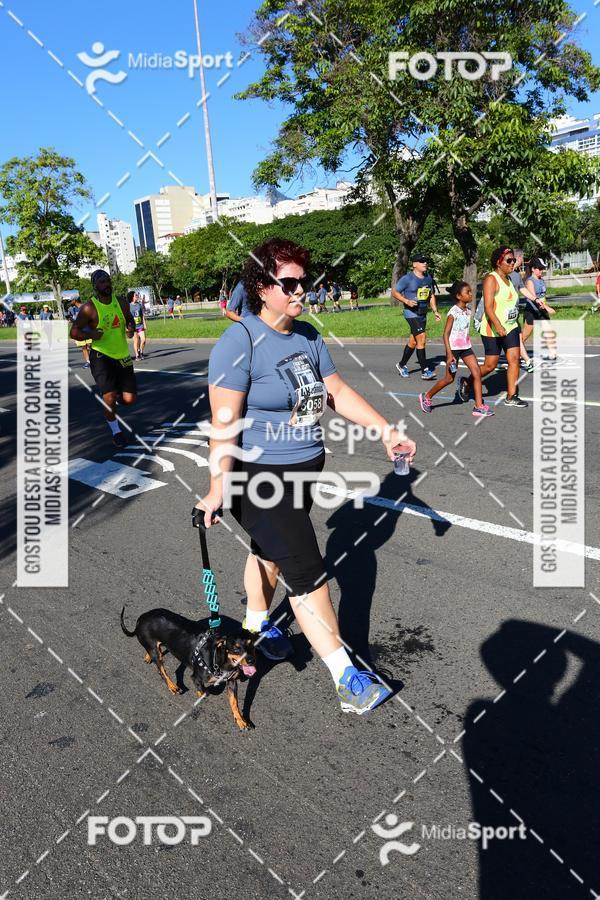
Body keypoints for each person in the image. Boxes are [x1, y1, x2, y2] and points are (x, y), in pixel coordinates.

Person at [198, 238, 416, 715]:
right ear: (260, 286)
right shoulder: (238, 343)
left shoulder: (308, 336)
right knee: (306, 570)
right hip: (257, 477)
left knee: (269, 553)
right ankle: (346, 678)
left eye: (305, 281)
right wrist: (217, 488)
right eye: (290, 283)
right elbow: (223, 424)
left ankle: (257, 633)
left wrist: (385, 431)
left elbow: (336, 390)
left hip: (302, 472)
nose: (302, 291)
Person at [70, 270, 137, 447]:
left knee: (129, 400)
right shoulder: (89, 308)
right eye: (101, 282)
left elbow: (130, 320)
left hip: (122, 355)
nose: (106, 284)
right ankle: (116, 431)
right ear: (95, 286)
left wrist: (131, 328)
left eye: (107, 280)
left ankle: (115, 400)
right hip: (101, 356)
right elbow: (74, 332)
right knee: (109, 397)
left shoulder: (121, 302)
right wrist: (92, 333)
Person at [460, 247, 527, 408]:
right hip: (492, 328)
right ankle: (467, 382)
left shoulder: (510, 279)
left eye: (513, 260)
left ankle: (512, 396)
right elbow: (488, 307)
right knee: (491, 365)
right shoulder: (491, 279)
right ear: (498, 262)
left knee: (514, 360)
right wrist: (498, 325)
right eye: (509, 260)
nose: (513, 263)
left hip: (510, 327)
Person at [418, 281, 494, 418]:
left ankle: (479, 406)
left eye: (471, 291)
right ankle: (426, 396)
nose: (471, 294)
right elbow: (445, 334)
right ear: (459, 296)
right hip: (453, 349)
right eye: (468, 292)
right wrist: (449, 355)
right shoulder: (453, 312)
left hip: (466, 347)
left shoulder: (468, 311)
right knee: (449, 379)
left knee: (476, 373)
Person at [394, 254, 441, 380]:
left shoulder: (428, 278)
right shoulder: (407, 278)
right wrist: (406, 301)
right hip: (411, 313)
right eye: (421, 261)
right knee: (422, 338)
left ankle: (401, 365)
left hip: (422, 312)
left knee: (413, 341)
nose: (424, 263)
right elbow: (395, 292)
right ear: (414, 264)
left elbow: (431, 295)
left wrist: (435, 310)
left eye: (425, 261)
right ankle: (425, 370)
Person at [522, 257, 556, 360]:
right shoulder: (530, 281)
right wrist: (548, 308)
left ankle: (552, 354)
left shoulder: (541, 280)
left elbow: (542, 297)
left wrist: (545, 307)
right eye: (539, 268)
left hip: (542, 311)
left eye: (542, 268)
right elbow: (534, 298)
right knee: (524, 336)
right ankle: (514, 350)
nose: (541, 270)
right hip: (532, 311)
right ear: (533, 269)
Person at [508, 250, 537, 373]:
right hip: (502, 315)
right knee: (491, 363)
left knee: (518, 337)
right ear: (517, 258)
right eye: (522, 258)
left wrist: (535, 299)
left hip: (513, 314)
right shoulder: (505, 274)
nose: (522, 261)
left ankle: (527, 361)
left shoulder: (516, 275)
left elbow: (522, 289)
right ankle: (524, 361)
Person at [70, 298, 92, 367]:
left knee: (90, 346)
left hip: (87, 330)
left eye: (71, 300)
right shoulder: (73, 309)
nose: (71, 302)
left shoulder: (85, 307)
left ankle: (95, 360)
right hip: (79, 331)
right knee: (84, 347)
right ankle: (88, 362)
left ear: (75, 300)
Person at [129, 289, 147, 360]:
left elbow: (142, 315)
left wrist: (144, 324)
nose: (137, 296)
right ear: (132, 297)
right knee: (136, 341)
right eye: (135, 295)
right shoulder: (129, 306)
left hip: (140, 325)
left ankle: (141, 351)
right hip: (133, 326)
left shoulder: (139, 305)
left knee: (143, 340)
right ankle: (137, 355)